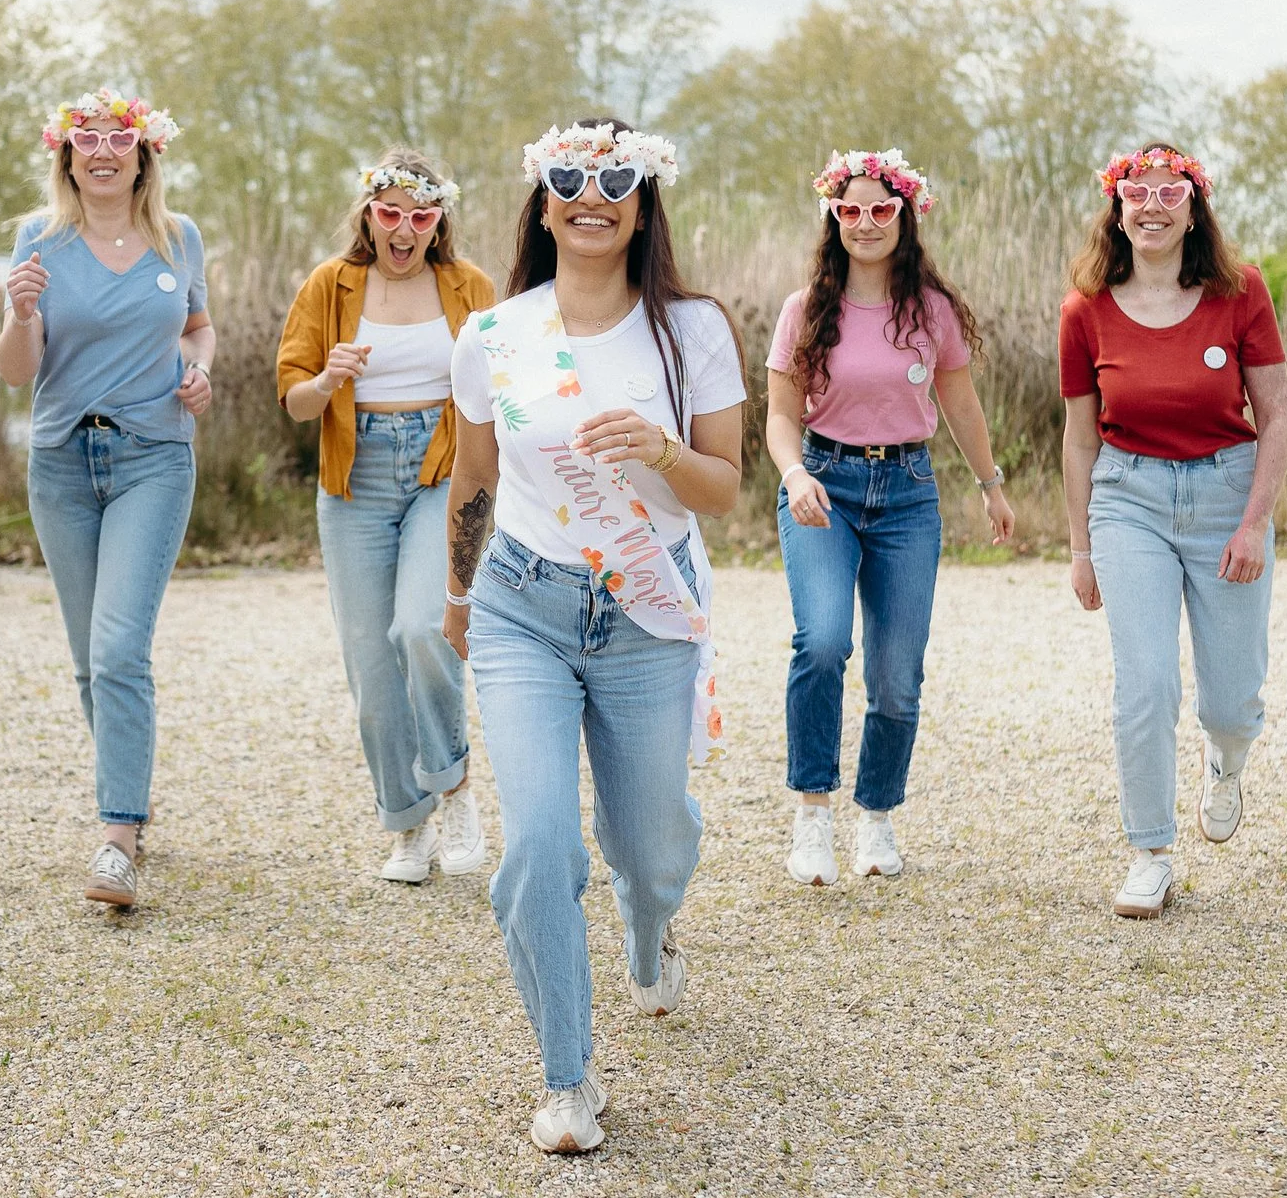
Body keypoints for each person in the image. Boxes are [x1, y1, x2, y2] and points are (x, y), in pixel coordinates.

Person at [442, 120, 746, 1155]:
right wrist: (455, 597)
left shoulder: (691, 331)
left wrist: (659, 449)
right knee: (536, 845)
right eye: (568, 177)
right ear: (540, 201)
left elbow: (725, 487)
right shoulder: (492, 337)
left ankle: (648, 915)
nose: (590, 194)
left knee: (651, 842)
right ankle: (567, 1078)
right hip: (523, 604)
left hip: (644, 612)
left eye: (615, 179)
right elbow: (475, 479)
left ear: (642, 201)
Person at [765, 149, 1013, 886]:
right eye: (850, 210)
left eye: (880, 209)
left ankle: (875, 815)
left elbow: (961, 403)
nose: (865, 222)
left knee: (896, 672)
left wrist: (990, 484)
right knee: (822, 641)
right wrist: (794, 471)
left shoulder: (931, 310)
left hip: (907, 489)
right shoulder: (805, 308)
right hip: (824, 484)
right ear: (832, 218)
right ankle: (813, 813)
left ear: (905, 215)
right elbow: (778, 418)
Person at [1060, 143, 1287, 920]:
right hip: (1127, 495)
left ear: (1195, 207)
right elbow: (1077, 437)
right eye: (1138, 192)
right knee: (1146, 679)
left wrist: (1255, 521)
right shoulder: (1084, 307)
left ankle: (1225, 759)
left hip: (1228, 488)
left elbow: (1279, 414)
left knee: (1230, 698)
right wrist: (1080, 546)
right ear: (1117, 207)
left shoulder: (1241, 291)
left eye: (1170, 192)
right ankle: (1149, 852)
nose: (1152, 206)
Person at [0, 88, 214, 910]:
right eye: (85, 139)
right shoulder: (39, 239)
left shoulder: (178, 236)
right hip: (60, 460)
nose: (101, 151)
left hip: (154, 455)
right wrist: (20, 312)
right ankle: (133, 793)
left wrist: (202, 367)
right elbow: (19, 371)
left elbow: (198, 325)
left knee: (121, 646)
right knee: (92, 658)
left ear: (142, 152)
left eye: (116, 139)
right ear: (66, 154)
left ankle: (118, 837)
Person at [278, 150, 496, 883]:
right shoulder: (329, 285)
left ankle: (454, 782)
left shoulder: (469, 288)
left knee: (424, 626)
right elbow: (294, 398)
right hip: (355, 479)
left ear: (440, 222)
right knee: (372, 669)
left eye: (421, 215)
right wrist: (328, 377)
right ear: (368, 215)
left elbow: (501, 392)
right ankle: (407, 825)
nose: (405, 228)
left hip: (443, 465)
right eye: (391, 212)